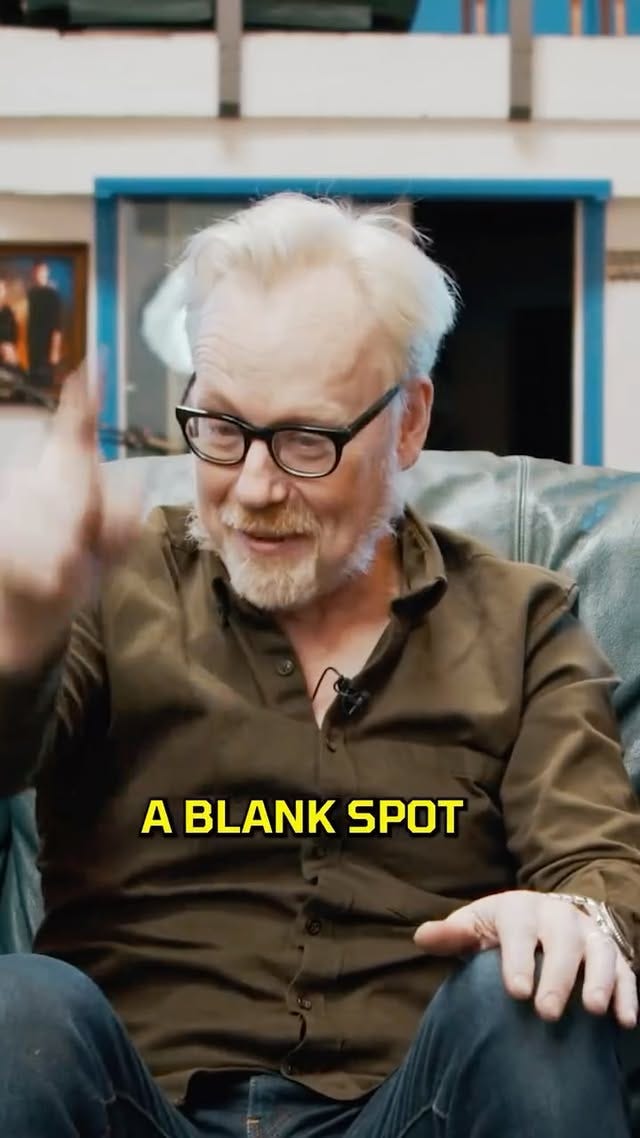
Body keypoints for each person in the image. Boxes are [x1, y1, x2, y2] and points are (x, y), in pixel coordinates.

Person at [0, 192, 638, 1138]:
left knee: (538, 999)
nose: (255, 489)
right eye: (223, 429)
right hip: (131, 1106)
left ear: (408, 422)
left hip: (412, 1110)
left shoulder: (522, 623)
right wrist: (17, 633)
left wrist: (578, 918)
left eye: (307, 440)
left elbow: (597, 862)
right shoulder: (109, 584)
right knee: (19, 1007)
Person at [26, 260, 63, 388]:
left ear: (47, 273)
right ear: (33, 274)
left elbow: (57, 324)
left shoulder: (53, 295)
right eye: (36, 272)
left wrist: (55, 349)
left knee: (46, 383)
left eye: (42, 272)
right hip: (33, 345)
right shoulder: (31, 294)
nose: (39, 275)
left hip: (47, 345)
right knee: (33, 383)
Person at [0, 277, 18, 365]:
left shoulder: (9, 311)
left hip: (7, 353)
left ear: (4, 292)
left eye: (1, 289)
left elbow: (14, 334)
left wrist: (10, 348)